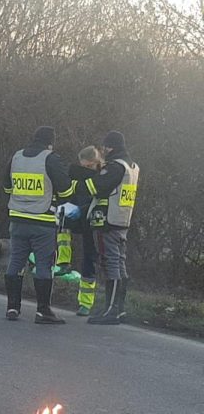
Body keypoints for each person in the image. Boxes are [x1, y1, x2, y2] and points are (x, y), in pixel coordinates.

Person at [3, 126, 75, 324]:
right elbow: (66, 191)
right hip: (42, 221)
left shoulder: (16, 157)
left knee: (16, 261)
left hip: (17, 219)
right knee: (44, 265)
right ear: (50, 142)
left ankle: (12, 307)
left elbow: (6, 185)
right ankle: (43, 311)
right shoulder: (50, 159)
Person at [81, 131, 139, 325]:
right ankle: (119, 309)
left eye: (105, 147)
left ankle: (111, 310)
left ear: (110, 147)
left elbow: (95, 187)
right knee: (119, 263)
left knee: (110, 263)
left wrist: (86, 176)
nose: (103, 150)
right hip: (123, 219)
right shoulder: (132, 166)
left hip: (108, 220)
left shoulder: (115, 167)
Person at [66, 146, 103, 316]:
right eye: (84, 166)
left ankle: (86, 304)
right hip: (80, 217)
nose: (86, 170)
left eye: (89, 166)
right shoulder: (76, 174)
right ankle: (61, 265)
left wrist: (81, 209)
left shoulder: (105, 176)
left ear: (96, 162)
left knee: (90, 259)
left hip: (96, 221)